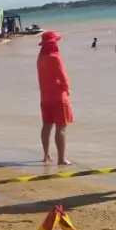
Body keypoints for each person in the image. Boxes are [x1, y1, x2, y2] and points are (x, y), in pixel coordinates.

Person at [36, 30, 72, 165]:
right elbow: (64, 78)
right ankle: (61, 159)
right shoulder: (55, 57)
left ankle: (46, 155)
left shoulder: (40, 59)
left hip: (45, 97)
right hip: (58, 96)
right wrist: (67, 91)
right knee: (61, 128)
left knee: (46, 126)